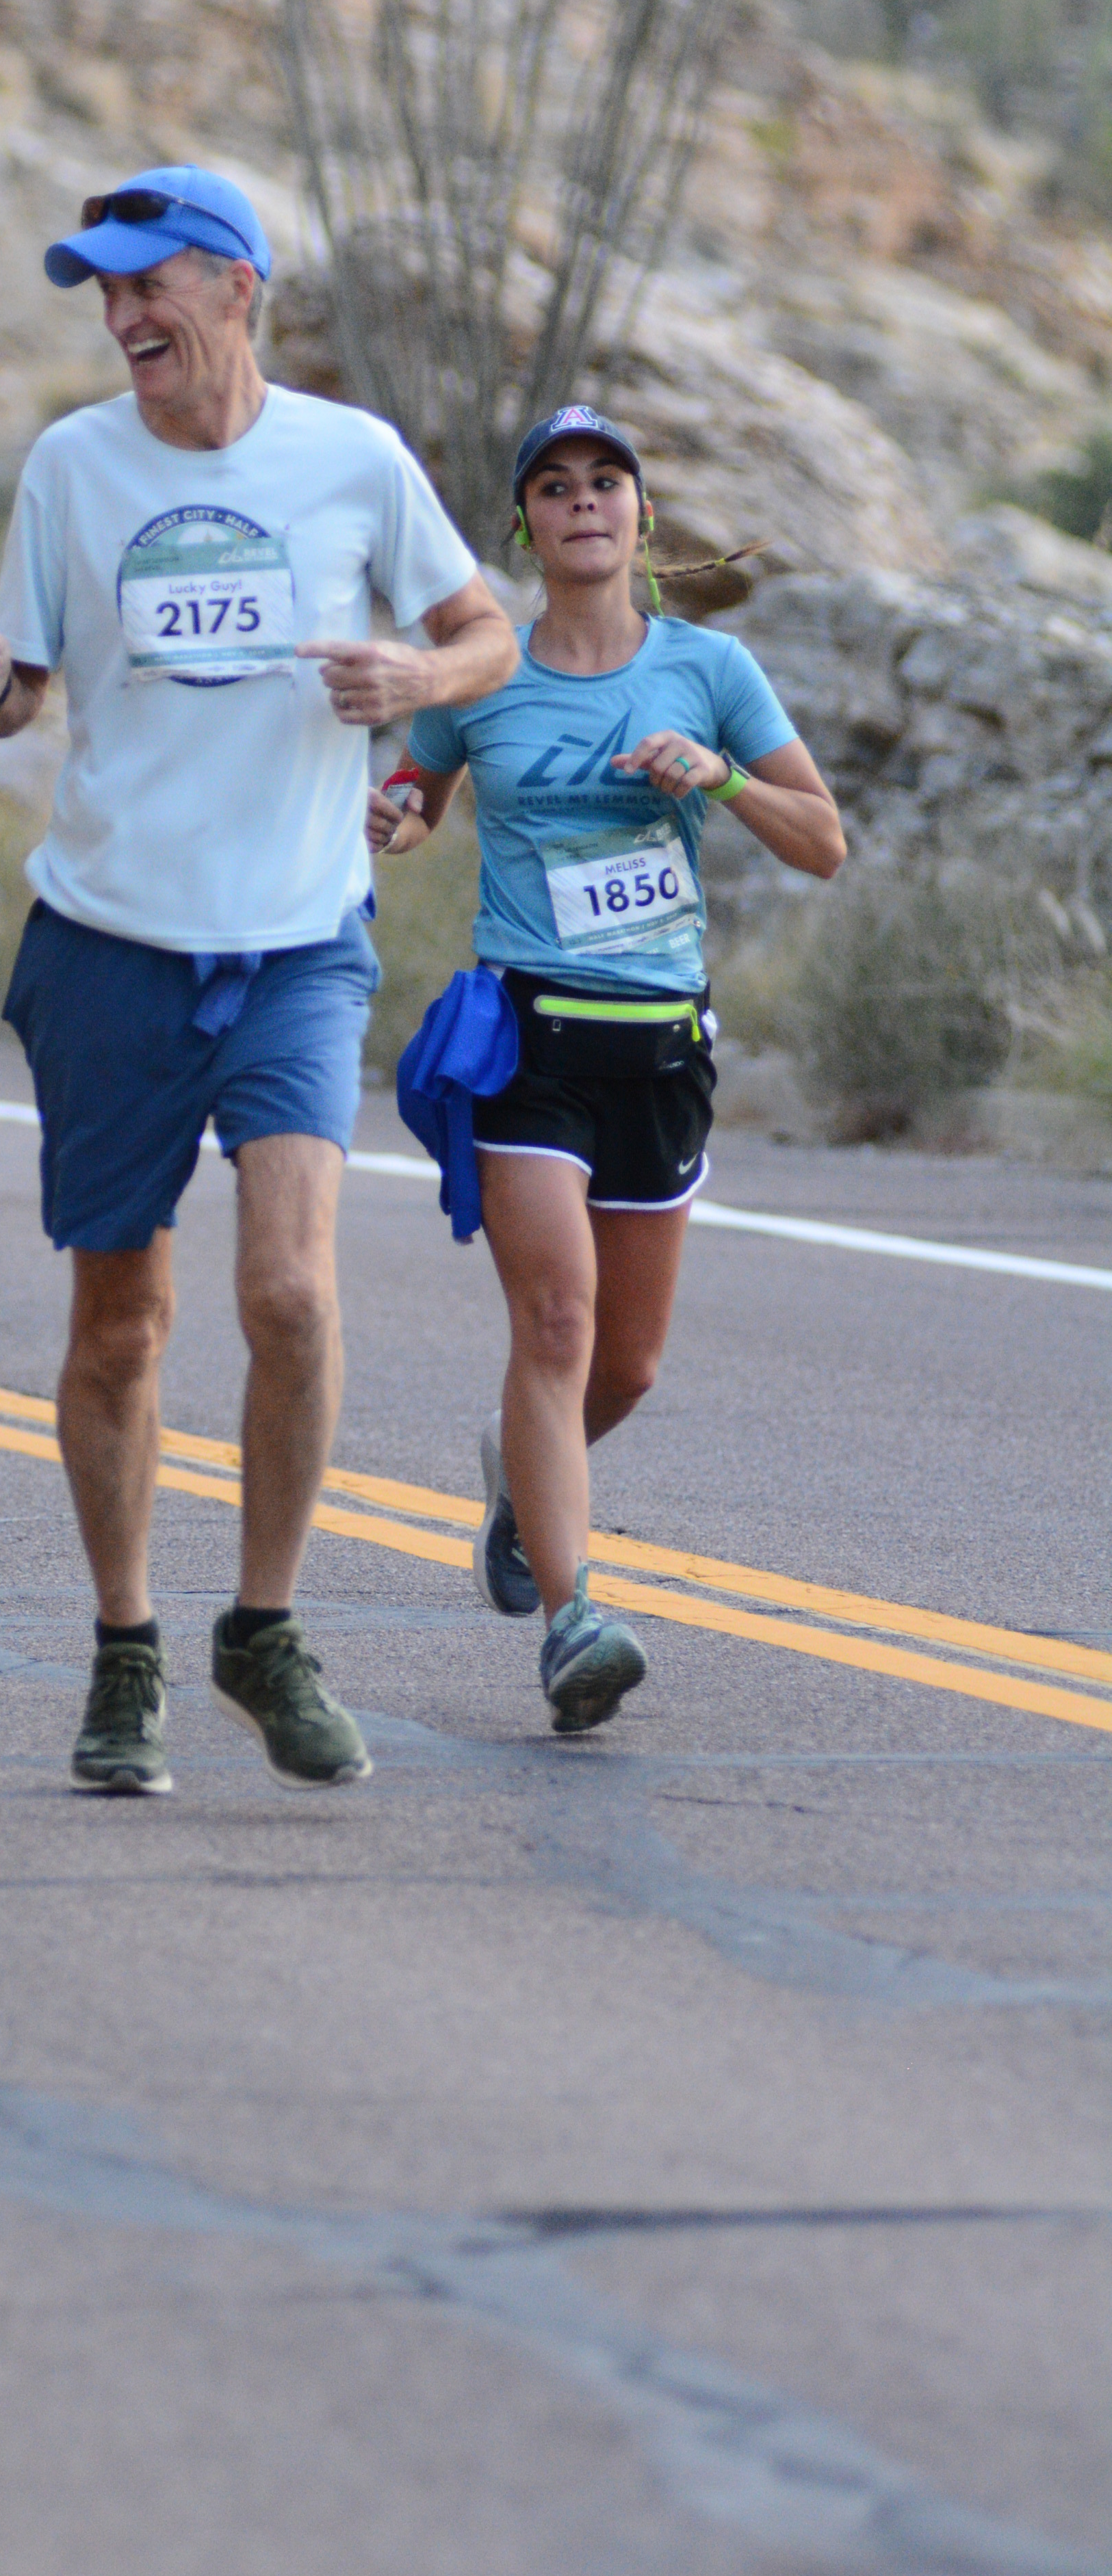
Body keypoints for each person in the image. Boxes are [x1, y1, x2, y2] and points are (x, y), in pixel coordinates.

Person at [0, 166, 517, 1796]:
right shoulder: (72, 465)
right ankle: (126, 1652)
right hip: (109, 944)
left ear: (238, 286)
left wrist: (416, 673)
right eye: (102, 293)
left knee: (291, 1291)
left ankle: (266, 1627)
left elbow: (490, 635)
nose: (120, 316)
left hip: (297, 941)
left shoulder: (352, 458)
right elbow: (24, 695)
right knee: (123, 1324)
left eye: (145, 283)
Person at [371, 405, 844, 1732]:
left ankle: (522, 1485)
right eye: (555, 486)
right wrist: (388, 816)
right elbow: (414, 800)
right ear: (527, 525)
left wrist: (720, 779)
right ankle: (574, 1620)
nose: (583, 502)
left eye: (606, 482)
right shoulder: (485, 670)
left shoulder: (711, 668)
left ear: (642, 517)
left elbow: (824, 841)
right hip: (530, 1040)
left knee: (624, 1369)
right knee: (558, 1326)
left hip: (662, 1046)